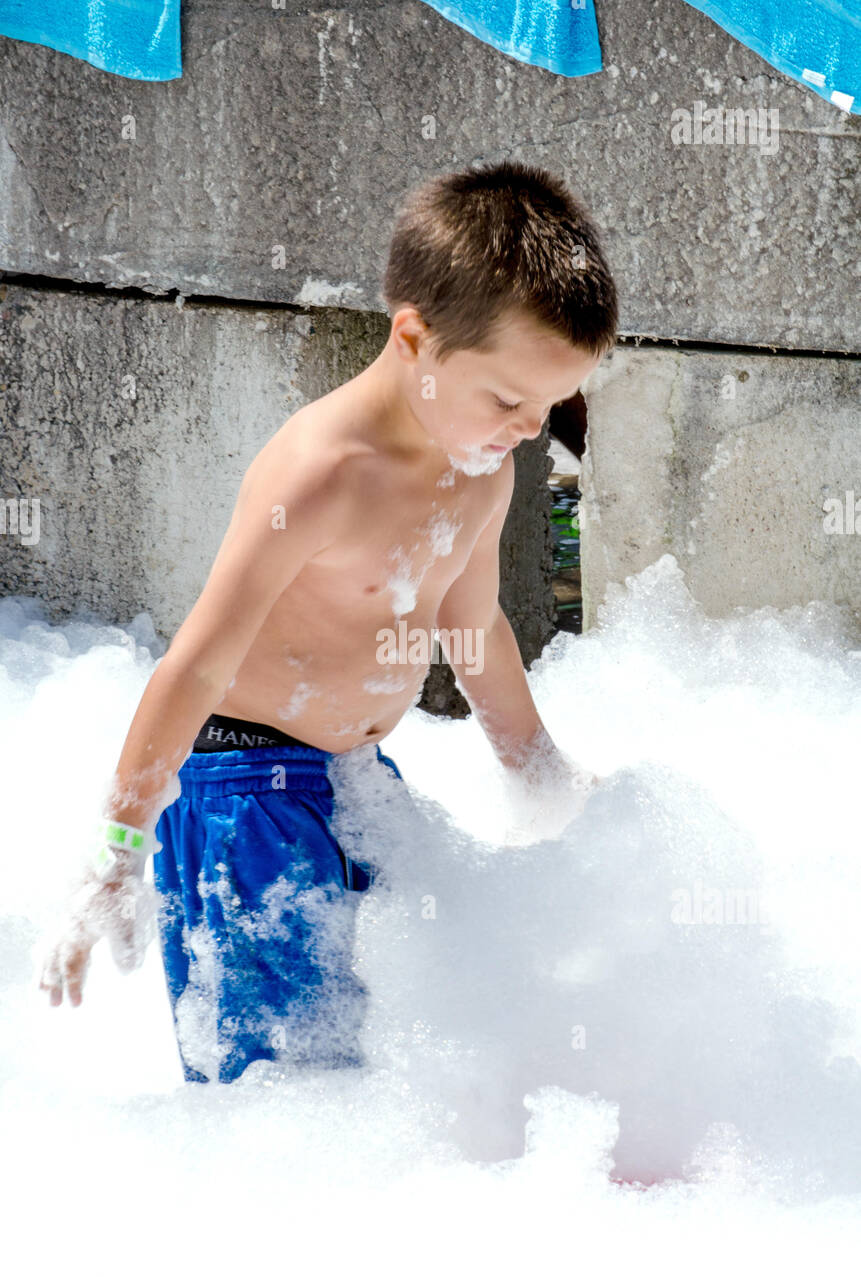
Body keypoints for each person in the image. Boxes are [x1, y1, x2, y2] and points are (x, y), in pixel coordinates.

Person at [39, 158, 618, 1082]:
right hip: (243, 790)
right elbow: (193, 665)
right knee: (283, 1081)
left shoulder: (484, 466)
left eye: (549, 406)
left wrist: (537, 771)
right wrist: (115, 851)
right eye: (508, 400)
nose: (525, 426)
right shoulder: (320, 473)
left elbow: (474, 628)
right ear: (413, 338)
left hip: (358, 781)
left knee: (388, 1051)